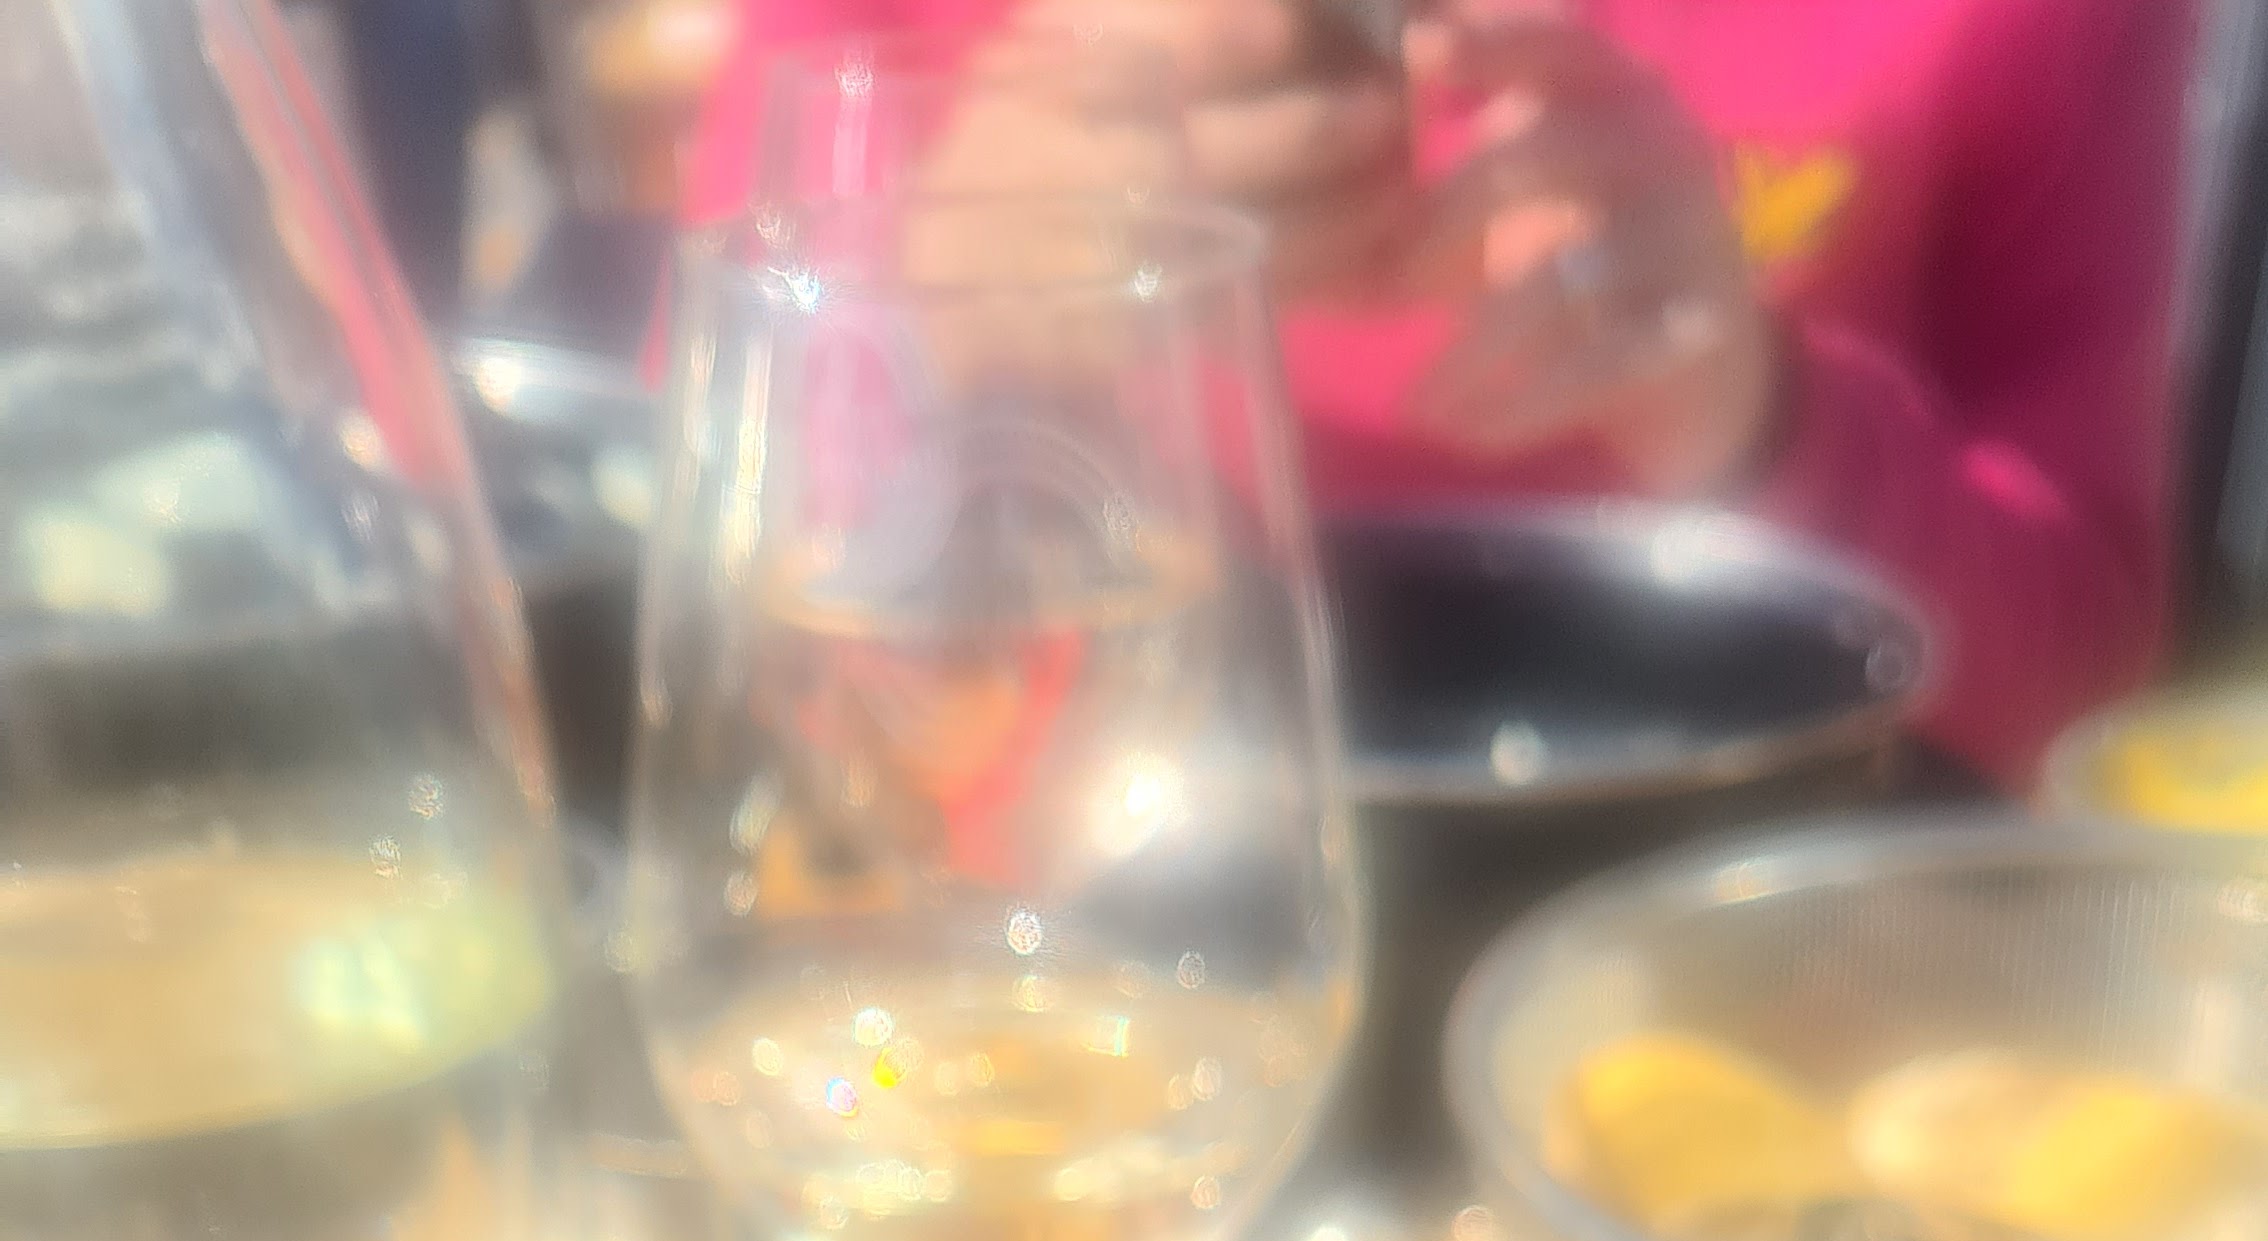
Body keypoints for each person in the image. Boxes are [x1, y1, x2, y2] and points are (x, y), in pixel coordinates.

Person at [684, 0, 2196, 781]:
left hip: (1723, 989)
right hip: (1037, 973)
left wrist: (1762, 419)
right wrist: (931, 312)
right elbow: (686, 586)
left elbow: (2087, 682)